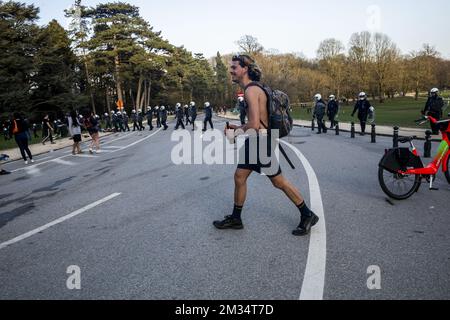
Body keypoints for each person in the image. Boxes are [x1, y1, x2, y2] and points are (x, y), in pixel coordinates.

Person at [213, 54, 319, 237]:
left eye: (234, 67)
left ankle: (307, 214)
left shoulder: (251, 91)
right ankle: (236, 218)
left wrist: (235, 131)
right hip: (258, 140)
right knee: (240, 176)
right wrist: (239, 129)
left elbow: (254, 124)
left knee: (278, 182)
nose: (231, 70)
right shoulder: (256, 88)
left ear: (244, 69)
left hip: (260, 141)